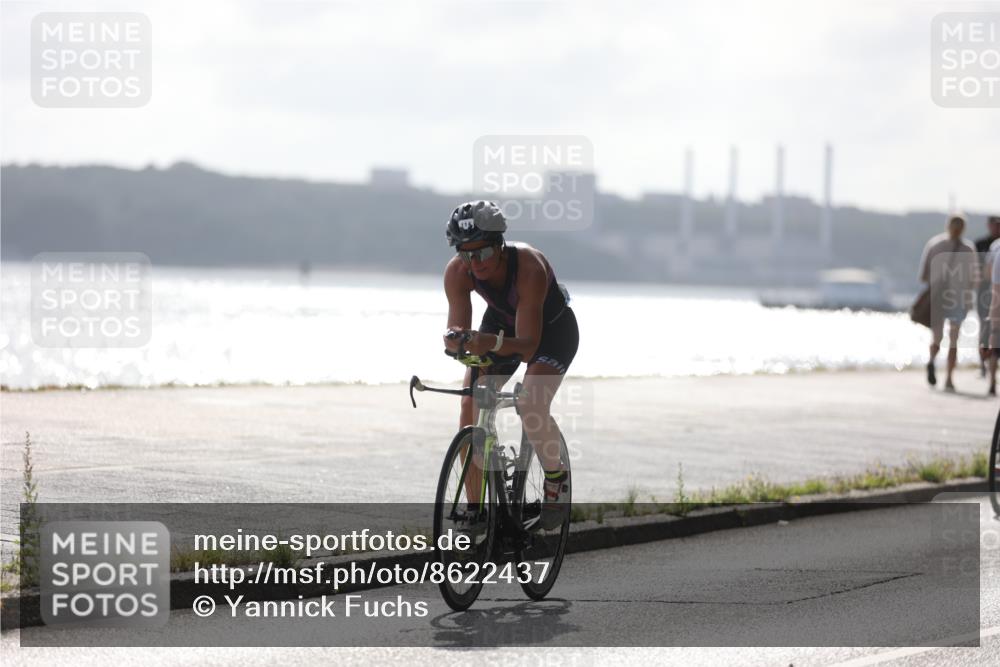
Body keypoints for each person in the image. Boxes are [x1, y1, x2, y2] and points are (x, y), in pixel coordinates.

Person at [442, 200, 579, 529]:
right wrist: (459, 342)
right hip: (502, 325)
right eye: (466, 254)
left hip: (552, 332)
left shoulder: (529, 266)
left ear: (500, 245)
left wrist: (488, 342)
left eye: (483, 253)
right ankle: (477, 511)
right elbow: (459, 336)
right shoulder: (457, 272)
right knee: (470, 403)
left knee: (530, 402)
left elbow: (529, 345)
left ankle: (556, 480)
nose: (476, 263)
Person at [918, 215, 977, 391]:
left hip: (938, 297)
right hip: (958, 298)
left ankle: (932, 360)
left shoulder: (935, 244)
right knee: (953, 339)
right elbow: (974, 278)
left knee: (936, 336)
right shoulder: (968, 248)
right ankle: (949, 378)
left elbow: (923, 275)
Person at [973, 216, 1000, 379]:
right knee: (985, 326)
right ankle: (983, 363)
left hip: (995, 289)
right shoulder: (981, 244)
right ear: (989, 226)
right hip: (984, 291)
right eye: (995, 225)